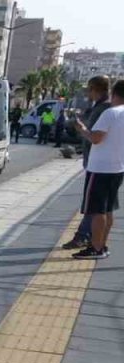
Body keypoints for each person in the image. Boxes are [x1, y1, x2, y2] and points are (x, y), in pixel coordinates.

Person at [72, 79, 124, 260]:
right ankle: (102, 245)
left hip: (100, 168)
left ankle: (95, 247)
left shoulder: (110, 113)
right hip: (117, 168)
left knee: (97, 211)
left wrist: (81, 129)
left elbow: (96, 138)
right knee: (108, 210)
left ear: (114, 93)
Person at [65, 76, 113, 250]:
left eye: (89, 89)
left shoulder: (104, 108)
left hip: (99, 163)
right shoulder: (105, 107)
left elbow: (95, 137)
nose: (87, 93)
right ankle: (97, 242)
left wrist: (81, 129)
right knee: (103, 205)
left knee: (94, 204)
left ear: (95, 89)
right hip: (107, 163)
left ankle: (86, 238)